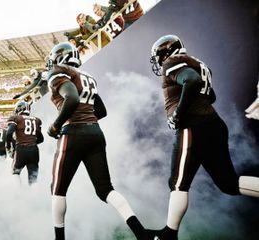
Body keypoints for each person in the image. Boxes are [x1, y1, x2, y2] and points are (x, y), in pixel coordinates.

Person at [148, 34, 259, 240]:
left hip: (193, 127)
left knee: (178, 184)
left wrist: (177, 115)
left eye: (158, 56)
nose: (158, 61)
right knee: (228, 183)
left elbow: (191, 81)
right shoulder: (197, 62)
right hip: (213, 124)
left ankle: (169, 235)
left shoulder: (173, 62)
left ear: (165, 53)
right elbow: (211, 95)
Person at [46, 42, 148, 240]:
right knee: (105, 189)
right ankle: (141, 233)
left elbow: (72, 98)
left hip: (72, 133)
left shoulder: (59, 72)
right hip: (95, 134)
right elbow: (101, 110)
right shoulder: (87, 77)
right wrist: (88, 124)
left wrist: (55, 125)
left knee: (57, 189)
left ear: (58, 58)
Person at [6, 101, 43, 185]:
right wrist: (31, 143)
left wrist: (9, 146)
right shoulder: (37, 120)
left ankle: (19, 194)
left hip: (21, 149)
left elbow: (8, 133)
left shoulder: (16, 118)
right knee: (33, 176)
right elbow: (41, 139)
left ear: (19, 109)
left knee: (15, 172)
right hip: (34, 150)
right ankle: (34, 195)